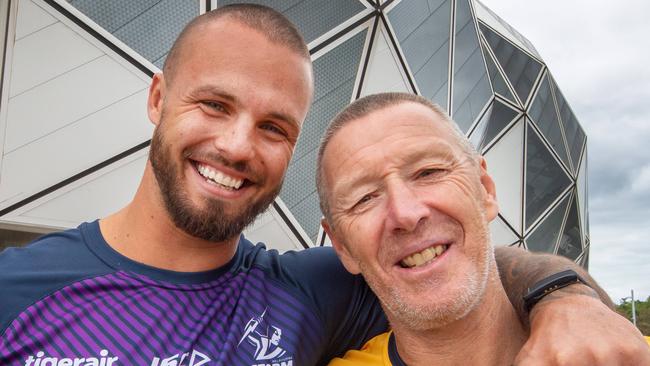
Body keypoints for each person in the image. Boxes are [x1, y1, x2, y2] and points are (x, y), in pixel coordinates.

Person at [0, 4, 645, 366]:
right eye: (214, 105)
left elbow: (467, 263)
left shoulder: (312, 290)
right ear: (158, 98)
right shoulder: (17, 291)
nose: (236, 145)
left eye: (275, 127)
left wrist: (565, 298)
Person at [318, 92, 650, 365]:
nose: (406, 214)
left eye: (428, 172)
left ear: (485, 189)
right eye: (364, 198)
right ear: (343, 247)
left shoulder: (629, 355)